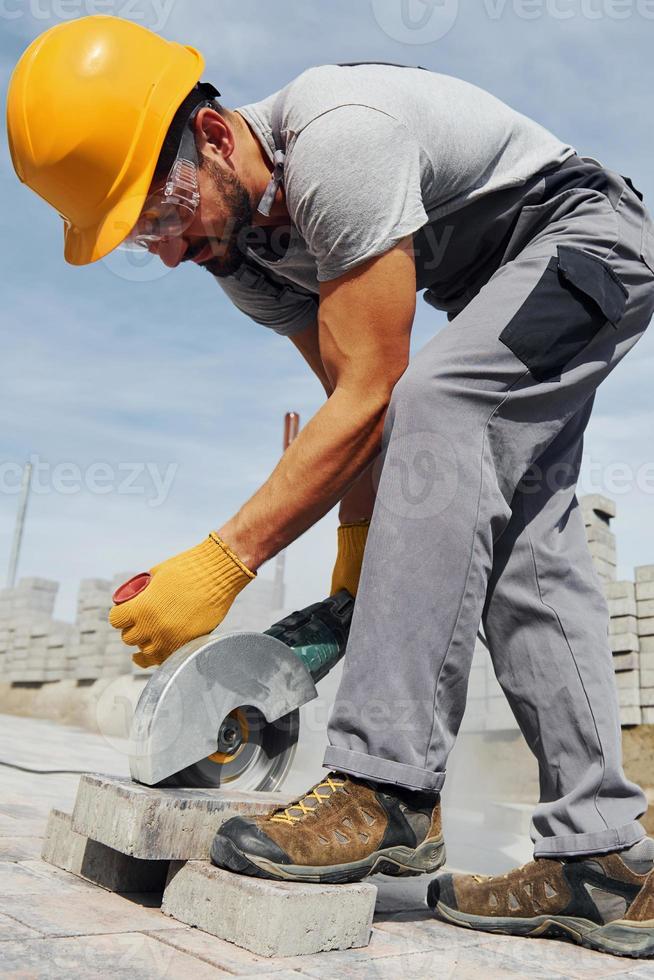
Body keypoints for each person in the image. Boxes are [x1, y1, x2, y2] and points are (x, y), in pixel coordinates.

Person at [8, 15, 654, 959]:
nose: (170, 250)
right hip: (503, 296)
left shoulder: (340, 138)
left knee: (445, 402)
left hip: (586, 238)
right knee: (524, 549)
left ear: (217, 138)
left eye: (163, 211)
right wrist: (354, 572)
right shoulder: (251, 261)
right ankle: (604, 863)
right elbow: (362, 425)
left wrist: (224, 562)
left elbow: (382, 390)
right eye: (141, 237)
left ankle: (385, 788)